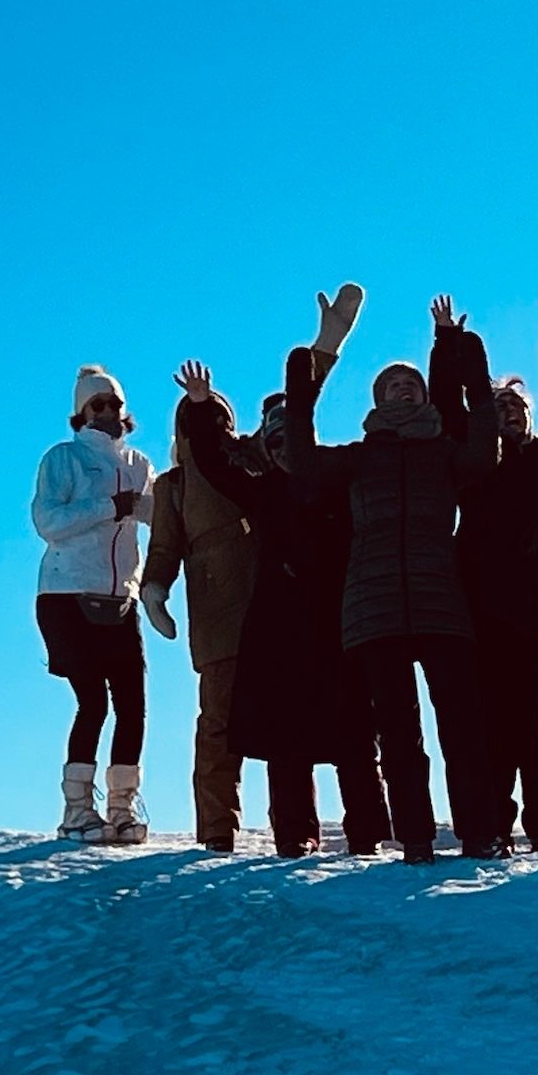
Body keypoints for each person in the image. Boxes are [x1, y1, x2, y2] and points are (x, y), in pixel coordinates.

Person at [283, 301, 499, 864]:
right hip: (373, 609)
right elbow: (301, 459)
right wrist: (313, 359)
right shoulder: (358, 459)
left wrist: (463, 351)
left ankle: (478, 833)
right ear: (376, 400)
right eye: (391, 384)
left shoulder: (447, 455)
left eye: (412, 384)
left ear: (426, 395)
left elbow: (484, 434)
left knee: (462, 727)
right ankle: (417, 840)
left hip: (442, 603)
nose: (403, 390)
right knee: (399, 736)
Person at [175, 340, 394, 859]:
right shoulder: (264, 491)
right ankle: (295, 836)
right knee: (286, 743)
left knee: (356, 737)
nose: (280, 451)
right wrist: (204, 407)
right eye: (272, 443)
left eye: (287, 440)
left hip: (341, 622)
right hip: (279, 630)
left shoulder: (337, 480)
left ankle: (368, 835)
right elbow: (211, 461)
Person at [430, 295, 538, 855]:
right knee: (489, 723)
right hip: (480, 603)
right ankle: (496, 820)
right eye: (499, 410)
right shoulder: (475, 464)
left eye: (516, 411)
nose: (509, 418)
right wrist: (447, 345)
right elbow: (448, 409)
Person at [32, 365, 156, 843]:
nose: (107, 412)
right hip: (65, 594)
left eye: (114, 404)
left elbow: (159, 518)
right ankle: (78, 810)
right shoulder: (62, 458)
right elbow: (48, 521)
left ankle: (123, 809)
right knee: (93, 701)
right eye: (96, 405)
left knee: (133, 704)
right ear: (80, 414)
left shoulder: (141, 465)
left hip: (120, 598)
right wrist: (112, 506)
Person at [138, 373, 257, 852]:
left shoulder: (254, 460)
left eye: (217, 413)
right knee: (219, 722)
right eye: (198, 414)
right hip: (216, 609)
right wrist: (154, 592)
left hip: (273, 599)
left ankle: (297, 827)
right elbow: (164, 547)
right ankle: (216, 829)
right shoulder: (173, 486)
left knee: (293, 715)